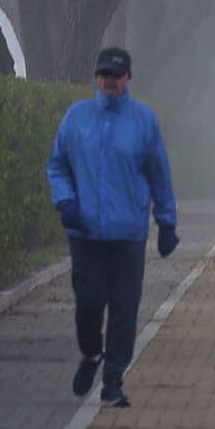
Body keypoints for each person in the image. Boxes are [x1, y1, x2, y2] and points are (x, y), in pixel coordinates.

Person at [47, 46, 179, 409]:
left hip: (127, 233)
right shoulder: (77, 118)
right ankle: (91, 354)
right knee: (89, 303)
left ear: (128, 79)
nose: (109, 81)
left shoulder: (143, 121)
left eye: (116, 75)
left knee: (124, 307)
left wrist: (166, 222)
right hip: (85, 231)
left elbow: (159, 173)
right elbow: (57, 165)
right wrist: (66, 202)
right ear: (96, 76)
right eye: (104, 74)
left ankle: (113, 378)